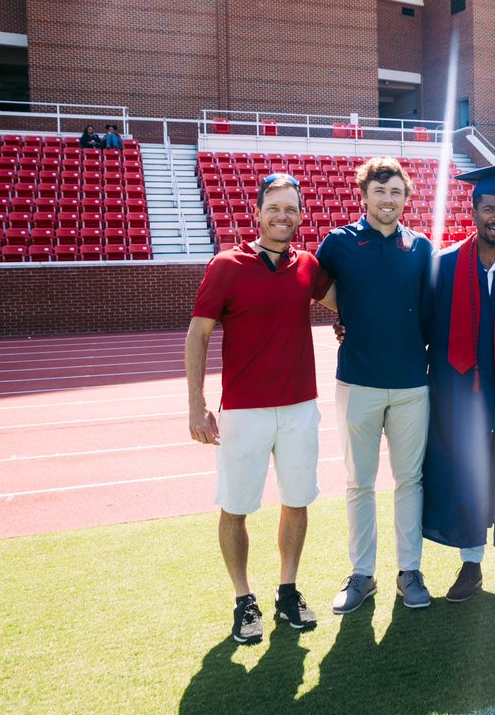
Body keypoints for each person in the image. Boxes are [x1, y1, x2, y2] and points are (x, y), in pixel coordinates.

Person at [185, 173, 335, 644]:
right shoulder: (228, 264)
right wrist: (196, 406)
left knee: (297, 502)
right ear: (257, 212)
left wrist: (349, 324)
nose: (282, 215)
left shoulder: (308, 266)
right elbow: (198, 335)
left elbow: (347, 304)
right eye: (274, 207)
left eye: (291, 208)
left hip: (298, 409)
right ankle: (243, 599)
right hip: (244, 412)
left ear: (301, 215)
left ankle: (287, 590)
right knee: (236, 507)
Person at [316, 157, 434, 613]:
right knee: (358, 483)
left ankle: (410, 572)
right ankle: (362, 574)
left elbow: (428, 309)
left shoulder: (420, 246)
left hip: (410, 383)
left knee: (410, 481)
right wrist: (342, 314)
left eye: (396, 192)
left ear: (407, 198)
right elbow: (311, 285)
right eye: (380, 191)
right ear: (363, 195)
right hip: (358, 381)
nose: (388, 200)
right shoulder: (340, 243)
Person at [423, 166, 495, 602]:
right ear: (473, 210)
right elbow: (419, 327)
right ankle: (470, 565)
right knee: (468, 474)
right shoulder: (445, 265)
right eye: (489, 208)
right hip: (460, 393)